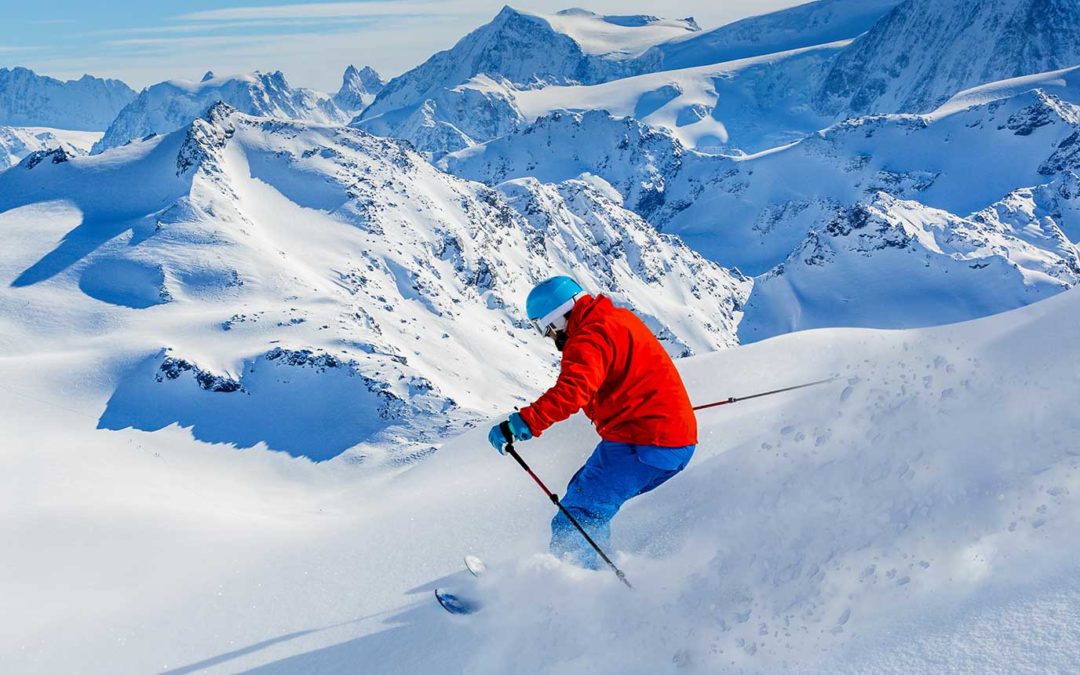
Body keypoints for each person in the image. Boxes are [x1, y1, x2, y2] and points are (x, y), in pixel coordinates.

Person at [488, 275, 697, 569]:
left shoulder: (588, 337)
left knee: (577, 518)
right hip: (671, 440)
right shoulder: (616, 319)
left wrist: (520, 424)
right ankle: (596, 572)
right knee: (582, 496)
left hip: (644, 443)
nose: (550, 337)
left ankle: (578, 591)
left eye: (546, 328)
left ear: (558, 319)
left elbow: (571, 392)